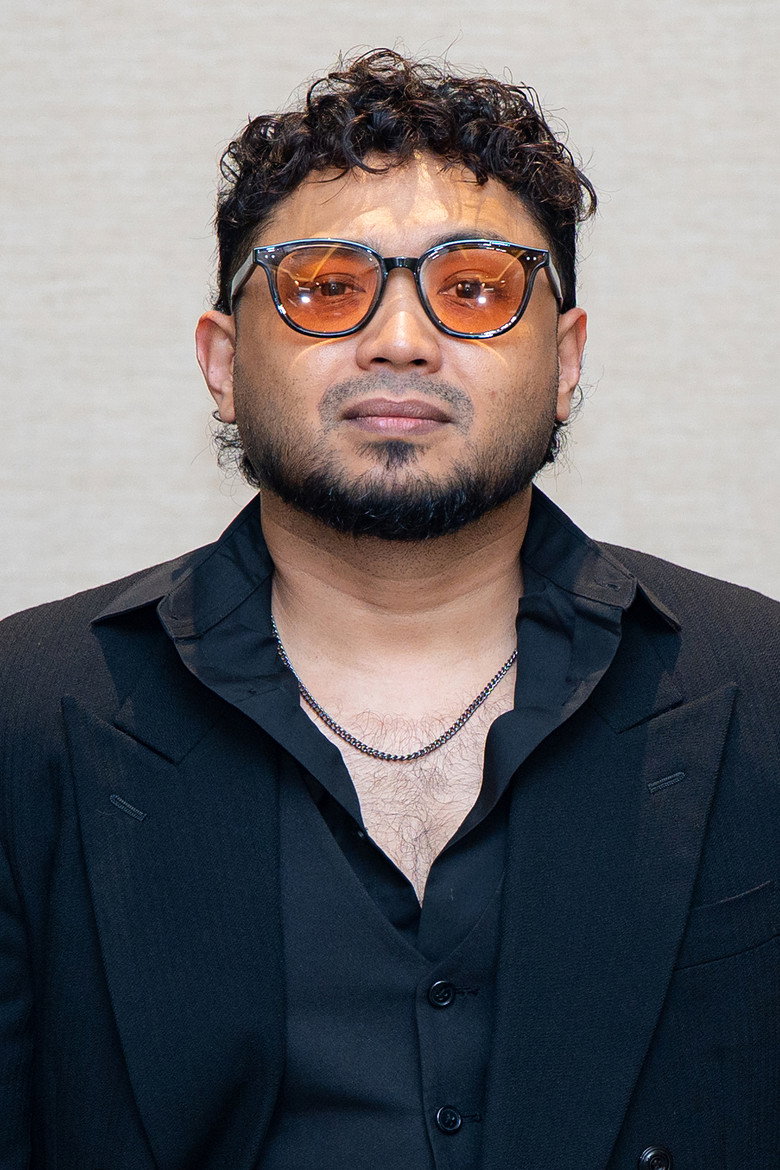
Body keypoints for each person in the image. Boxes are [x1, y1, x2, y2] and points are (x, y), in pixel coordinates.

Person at [0, 48, 777, 1170]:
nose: (401, 339)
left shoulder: (762, 689)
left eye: (475, 289)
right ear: (222, 362)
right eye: (326, 287)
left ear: (566, 362)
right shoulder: (24, 718)